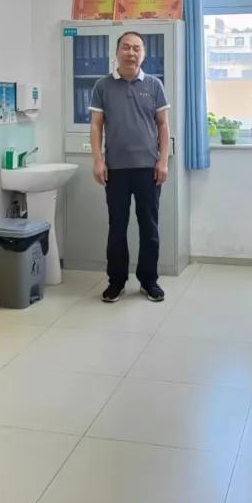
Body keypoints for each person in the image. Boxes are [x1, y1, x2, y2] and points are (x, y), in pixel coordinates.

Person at [90, 31, 170, 304]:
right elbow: (96, 126)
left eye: (137, 48)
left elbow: (163, 125)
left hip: (149, 168)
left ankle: (149, 281)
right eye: (126, 47)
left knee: (149, 227)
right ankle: (116, 282)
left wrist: (163, 160)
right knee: (117, 228)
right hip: (116, 170)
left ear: (143, 54)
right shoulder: (102, 86)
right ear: (117, 52)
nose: (131, 53)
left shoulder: (154, 85)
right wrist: (98, 160)